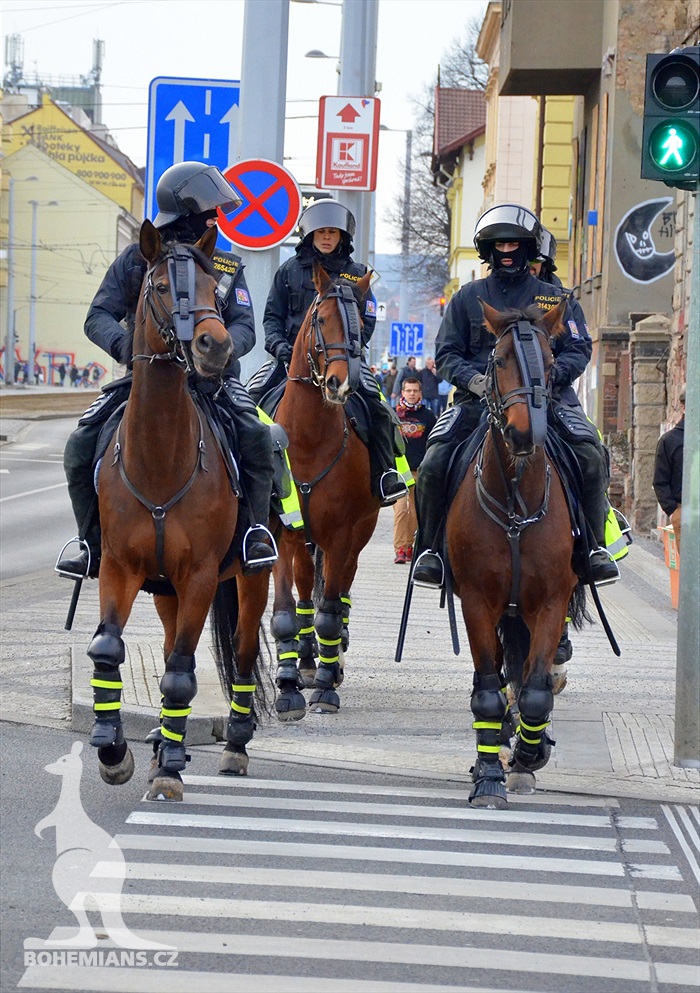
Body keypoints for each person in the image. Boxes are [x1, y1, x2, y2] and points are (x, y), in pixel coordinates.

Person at [56, 160, 277, 579]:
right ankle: (90, 543)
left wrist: (221, 350)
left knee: (256, 437)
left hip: (212, 382)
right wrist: (128, 348)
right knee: (80, 445)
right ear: (186, 209)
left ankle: (253, 533)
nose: (216, 217)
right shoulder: (138, 259)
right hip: (144, 380)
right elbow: (97, 316)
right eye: (209, 210)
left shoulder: (225, 266)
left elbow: (245, 326)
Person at [412, 202, 620, 589]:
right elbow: (447, 354)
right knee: (433, 462)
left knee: (591, 454)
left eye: (514, 244)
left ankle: (593, 548)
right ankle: (430, 551)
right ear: (489, 250)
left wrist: (551, 377)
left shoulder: (555, 298)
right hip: (478, 402)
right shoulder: (467, 297)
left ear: (528, 248)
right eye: (500, 245)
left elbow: (579, 348)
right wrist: (476, 381)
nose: (507, 252)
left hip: (550, 400)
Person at [261, 198, 409, 505]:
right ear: (310, 235)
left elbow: (368, 319)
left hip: (343, 359)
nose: (327, 237)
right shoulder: (288, 271)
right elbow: (272, 318)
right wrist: (280, 348)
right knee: (251, 403)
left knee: (378, 409)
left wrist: (351, 347)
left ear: (343, 236)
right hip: (291, 361)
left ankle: (385, 475)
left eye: (333, 232)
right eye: (321, 232)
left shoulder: (358, 273)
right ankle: (248, 482)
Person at [393, 377, 436, 564]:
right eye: (408, 391)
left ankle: (409, 545)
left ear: (420, 393)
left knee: (415, 512)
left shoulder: (428, 416)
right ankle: (400, 549)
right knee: (401, 509)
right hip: (399, 472)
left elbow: (434, 443)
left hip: (420, 471)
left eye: (415, 391)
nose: (412, 394)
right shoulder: (394, 415)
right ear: (402, 392)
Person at [653, 390, 685, 553]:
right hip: (684, 511)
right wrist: (673, 512)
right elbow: (660, 480)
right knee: (690, 564)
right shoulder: (670, 441)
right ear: (683, 407)